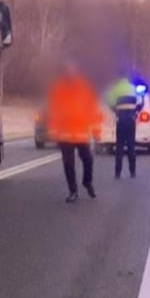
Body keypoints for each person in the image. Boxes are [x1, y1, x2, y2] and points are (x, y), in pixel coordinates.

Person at [47, 62, 101, 203]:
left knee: (88, 160)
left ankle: (87, 182)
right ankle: (73, 191)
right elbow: (54, 111)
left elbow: (93, 110)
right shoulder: (59, 89)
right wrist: (53, 130)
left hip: (81, 134)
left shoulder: (85, 88)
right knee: (68, 164)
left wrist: (96, 131)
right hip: (65, 134)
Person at [106, 71, 138, 179]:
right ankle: (132, 172)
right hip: (130, 120)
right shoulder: (133, 88)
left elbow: (109, 102)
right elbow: (140, 102)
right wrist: (135, 112)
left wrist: (116, 111)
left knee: (119, 147)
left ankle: (117, 173)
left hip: (121, 120)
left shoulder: (115, 89)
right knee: (131, 147)